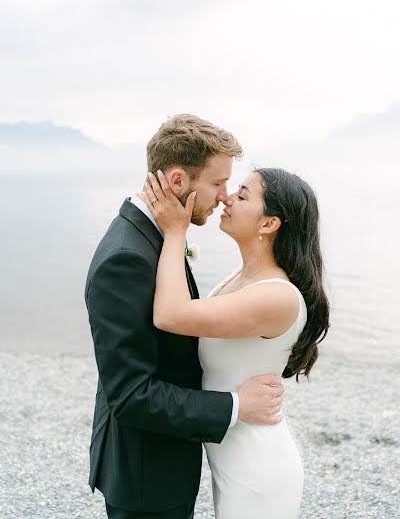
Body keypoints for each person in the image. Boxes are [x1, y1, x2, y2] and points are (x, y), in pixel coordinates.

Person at [85, 115, 285, 519]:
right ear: (178, 181)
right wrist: (234, 405)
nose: (224, 196)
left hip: (161, 458)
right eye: (217, 183)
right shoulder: (126, 258)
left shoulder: (157, 233)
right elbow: (131, 395)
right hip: (146, 474)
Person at [143, 165, 330, 519]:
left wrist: (175, 232)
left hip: (256, 469)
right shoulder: (240, 277)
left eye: (242, 196)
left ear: (268, 224)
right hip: (231, 460)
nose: (226, 197)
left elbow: (171, 314)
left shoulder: (277, 297)